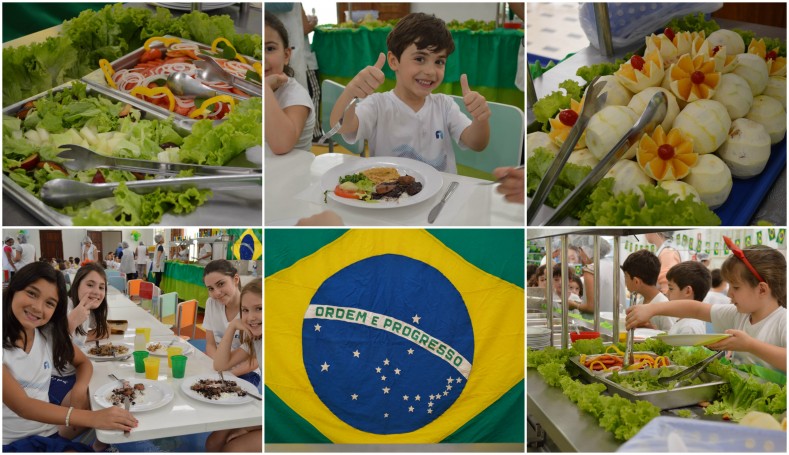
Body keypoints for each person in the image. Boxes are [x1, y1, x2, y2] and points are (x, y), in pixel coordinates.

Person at [332, 12, 491, 174]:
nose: (430, 71)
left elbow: (477, 143)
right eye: (420, 59)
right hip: (391, 196)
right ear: (394, 61)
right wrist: (351, 91)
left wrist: (480, 119)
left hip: (443, 194)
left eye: (439, 62)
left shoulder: (445, 105)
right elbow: (342, 127)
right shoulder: (378, 105)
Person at [2, 263, 137, 452]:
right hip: (12, 444)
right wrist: (93, 418)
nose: (38, 307)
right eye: (31, 293)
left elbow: (83, 362)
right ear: (13, 290)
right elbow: (23, 406)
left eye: (49, 303)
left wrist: (79, 389)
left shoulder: (46, 335)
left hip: (47, 434)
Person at [627, 242, 786, 373]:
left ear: (762, 289)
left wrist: (749, 345)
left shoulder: (783, 320)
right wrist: (652, 309)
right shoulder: (739, 314)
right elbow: (695, 309)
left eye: (736, 287)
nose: (729, 293)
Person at [205, 279, 262, 452]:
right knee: (213, 442)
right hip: (269, 408)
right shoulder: (257, 340)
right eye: (245, 310)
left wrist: (248, 428)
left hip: (288, 419)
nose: (250, 317)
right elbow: (220, 365)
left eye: (259, 308)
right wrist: (232, 327)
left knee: (233, 448)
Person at [50, 263, 110, 409]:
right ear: (76, 285)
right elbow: (50, 348)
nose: (97, 291)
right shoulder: (65, 307)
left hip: (75, 371)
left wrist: (82, 336)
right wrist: (71, 322)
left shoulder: (88, 310)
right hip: (54, 377)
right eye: (90, 285)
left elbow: (106, 330)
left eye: (101, 287)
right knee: (97, 403)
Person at [265, 11, 316, 154]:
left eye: (270, 49)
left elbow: (281, 145)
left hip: (293, 174)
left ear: (286, 55)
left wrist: (266, 89)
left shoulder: (296, 96)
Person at [202, 260, 260, 387]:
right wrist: (218, 367)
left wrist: (229, 374)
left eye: (221, 284)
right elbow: (210, 344)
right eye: (211, 289)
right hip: (217, 366)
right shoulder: (211, 303)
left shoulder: (251, 312)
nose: (216, 292)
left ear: (235, 279)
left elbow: (256, 359)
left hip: (245, 372)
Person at [620, 249, 676, 332]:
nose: (625, 281)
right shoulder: (641, 302)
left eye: (626, 277)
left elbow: (672, 337)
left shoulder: (664, 306)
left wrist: (653, 331)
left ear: (636, 281)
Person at [571, 237, 626, 315]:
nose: (580, 254)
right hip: (617, 319)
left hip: (598, 322)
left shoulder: (591, 269)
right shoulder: (615, 266)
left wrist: (573, 305)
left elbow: (591, 308)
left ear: (587, 250)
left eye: (580, 250)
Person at [664, 262, 710, 335]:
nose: (667, 293)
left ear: (687, 291)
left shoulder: (688, 327)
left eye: (671, 288)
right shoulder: (686, 322)